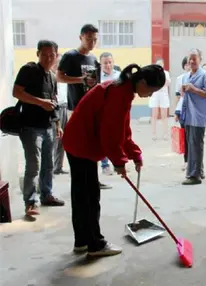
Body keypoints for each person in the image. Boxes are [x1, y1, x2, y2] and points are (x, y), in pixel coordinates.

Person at [62, 63, 166, 256]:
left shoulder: (123, 90)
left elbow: (122, 129)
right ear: (142, 82)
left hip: (79, 141)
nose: (150, 95)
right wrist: (119, 162)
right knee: (89, 197)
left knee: (82, 195)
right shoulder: (119, 94)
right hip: (81, 142)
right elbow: (110, 133)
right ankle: (95, 244)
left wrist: (134, 153)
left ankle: (82, 242)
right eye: (151, 91)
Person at [13, 40, 65, 216]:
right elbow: (17, 92)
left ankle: (46, 194)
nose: (48, 58)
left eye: (52, 55)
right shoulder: (28, 70)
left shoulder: (51, 76)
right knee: (33, 166)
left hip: (48, 127)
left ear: (56, 56)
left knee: (48, 165)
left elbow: (53, 102)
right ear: (37, 54)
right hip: (30, 127)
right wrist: (40, 102)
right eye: (44, 54)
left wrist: (57, 124)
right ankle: (30, 202)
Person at [57, 24, 111, 190]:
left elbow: (96, 85)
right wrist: (80, 80)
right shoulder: (70, 56)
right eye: (89, 39)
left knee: (92, 143)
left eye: (95, 39)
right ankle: (81, 181)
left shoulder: (93, 59)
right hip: (75, 108)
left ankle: (93, 178)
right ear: (80, 37)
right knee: (79, 145)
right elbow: (59, 77)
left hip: (92, 108)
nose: (92, 42)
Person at [181, 48, 206, 185]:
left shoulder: (205, 76)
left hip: (198, 116)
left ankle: (194, 176)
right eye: (190, 58)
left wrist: (194, 89)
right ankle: (199, 171)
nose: (191, 61)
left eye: (194, 58)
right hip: (188, 115)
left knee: (195, 145)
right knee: (191, 145)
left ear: (200, 59)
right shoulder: (187, 75)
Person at [99, 52, 121, 175]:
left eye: (110, 62)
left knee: (117, 140)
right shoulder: (97, 78)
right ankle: (105, 165)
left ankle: (118, 164)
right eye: (105, 63)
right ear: (100, 64)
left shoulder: (119, 76)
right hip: (103, 113)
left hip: (117, 113)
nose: (108, 65)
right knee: (104, 140)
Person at [51, 53, 69, 175]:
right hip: (55, 108)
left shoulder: (64, 77)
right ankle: (50, 167)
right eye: (56, 63)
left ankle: (58, 167)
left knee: (63, 138)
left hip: (65, 107)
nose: (58, 66)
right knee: (55, 138)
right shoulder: (50, 77)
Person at [148, 58, 171, 140]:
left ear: (163, 65)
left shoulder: (166, 73)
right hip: (155, 95)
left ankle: (165, 134)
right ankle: (153, 134)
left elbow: (167, 83)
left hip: (163, 95)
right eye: (158, 64)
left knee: (164, 115)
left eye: (161, 64)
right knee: (154, 115)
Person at [174, 56, 190, 171]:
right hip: (182, 110)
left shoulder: (197, 77)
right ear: (184, 66)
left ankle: (193, 161)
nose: (190, 66)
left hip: (193, 111)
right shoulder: (180, 78)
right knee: (184, 137)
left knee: (192, 137)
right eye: (188, 64)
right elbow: (178, 97)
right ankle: (186, 161)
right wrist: (176, 111)